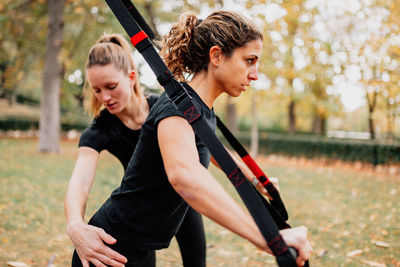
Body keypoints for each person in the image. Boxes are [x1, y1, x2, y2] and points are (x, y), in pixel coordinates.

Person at [72, 11, 312, 267]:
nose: (255, 74)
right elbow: (184, 176)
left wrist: (255, 180)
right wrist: (268, 238)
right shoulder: (176, 107)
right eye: (249, 60)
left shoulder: (198, 108)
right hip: (107, 250)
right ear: (216, 56)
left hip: (136, 249)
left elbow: (215, 151)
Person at [64, 33, 207, 267]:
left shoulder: (165, 109)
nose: (105, 97)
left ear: (131, 77)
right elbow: (79, 181)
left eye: (111, 86)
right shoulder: (100, 130)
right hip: (142, 211)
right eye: (97, 90)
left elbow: (207, 146)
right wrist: (74, 224)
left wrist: (251, 179)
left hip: (182, 202)